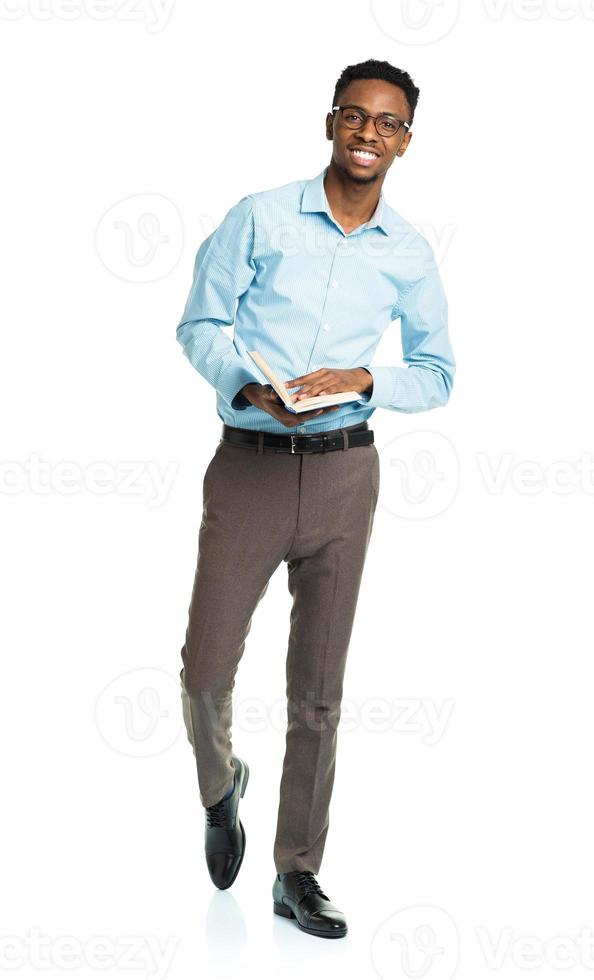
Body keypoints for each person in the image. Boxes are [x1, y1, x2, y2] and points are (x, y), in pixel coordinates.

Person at [175, 58, 455, 939]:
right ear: (330, 121)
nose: (369, 134)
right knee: (205, 668)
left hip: (344, 476)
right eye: (355, 116)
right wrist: (244, 384)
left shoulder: (408, 252)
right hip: (251, 462)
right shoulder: (257, 217)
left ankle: (297, 872)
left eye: (388, 123)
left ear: (407, 140)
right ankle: (222, 791)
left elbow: (440, 373)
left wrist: (368, 376)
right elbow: (199, 325)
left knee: (318, 689)